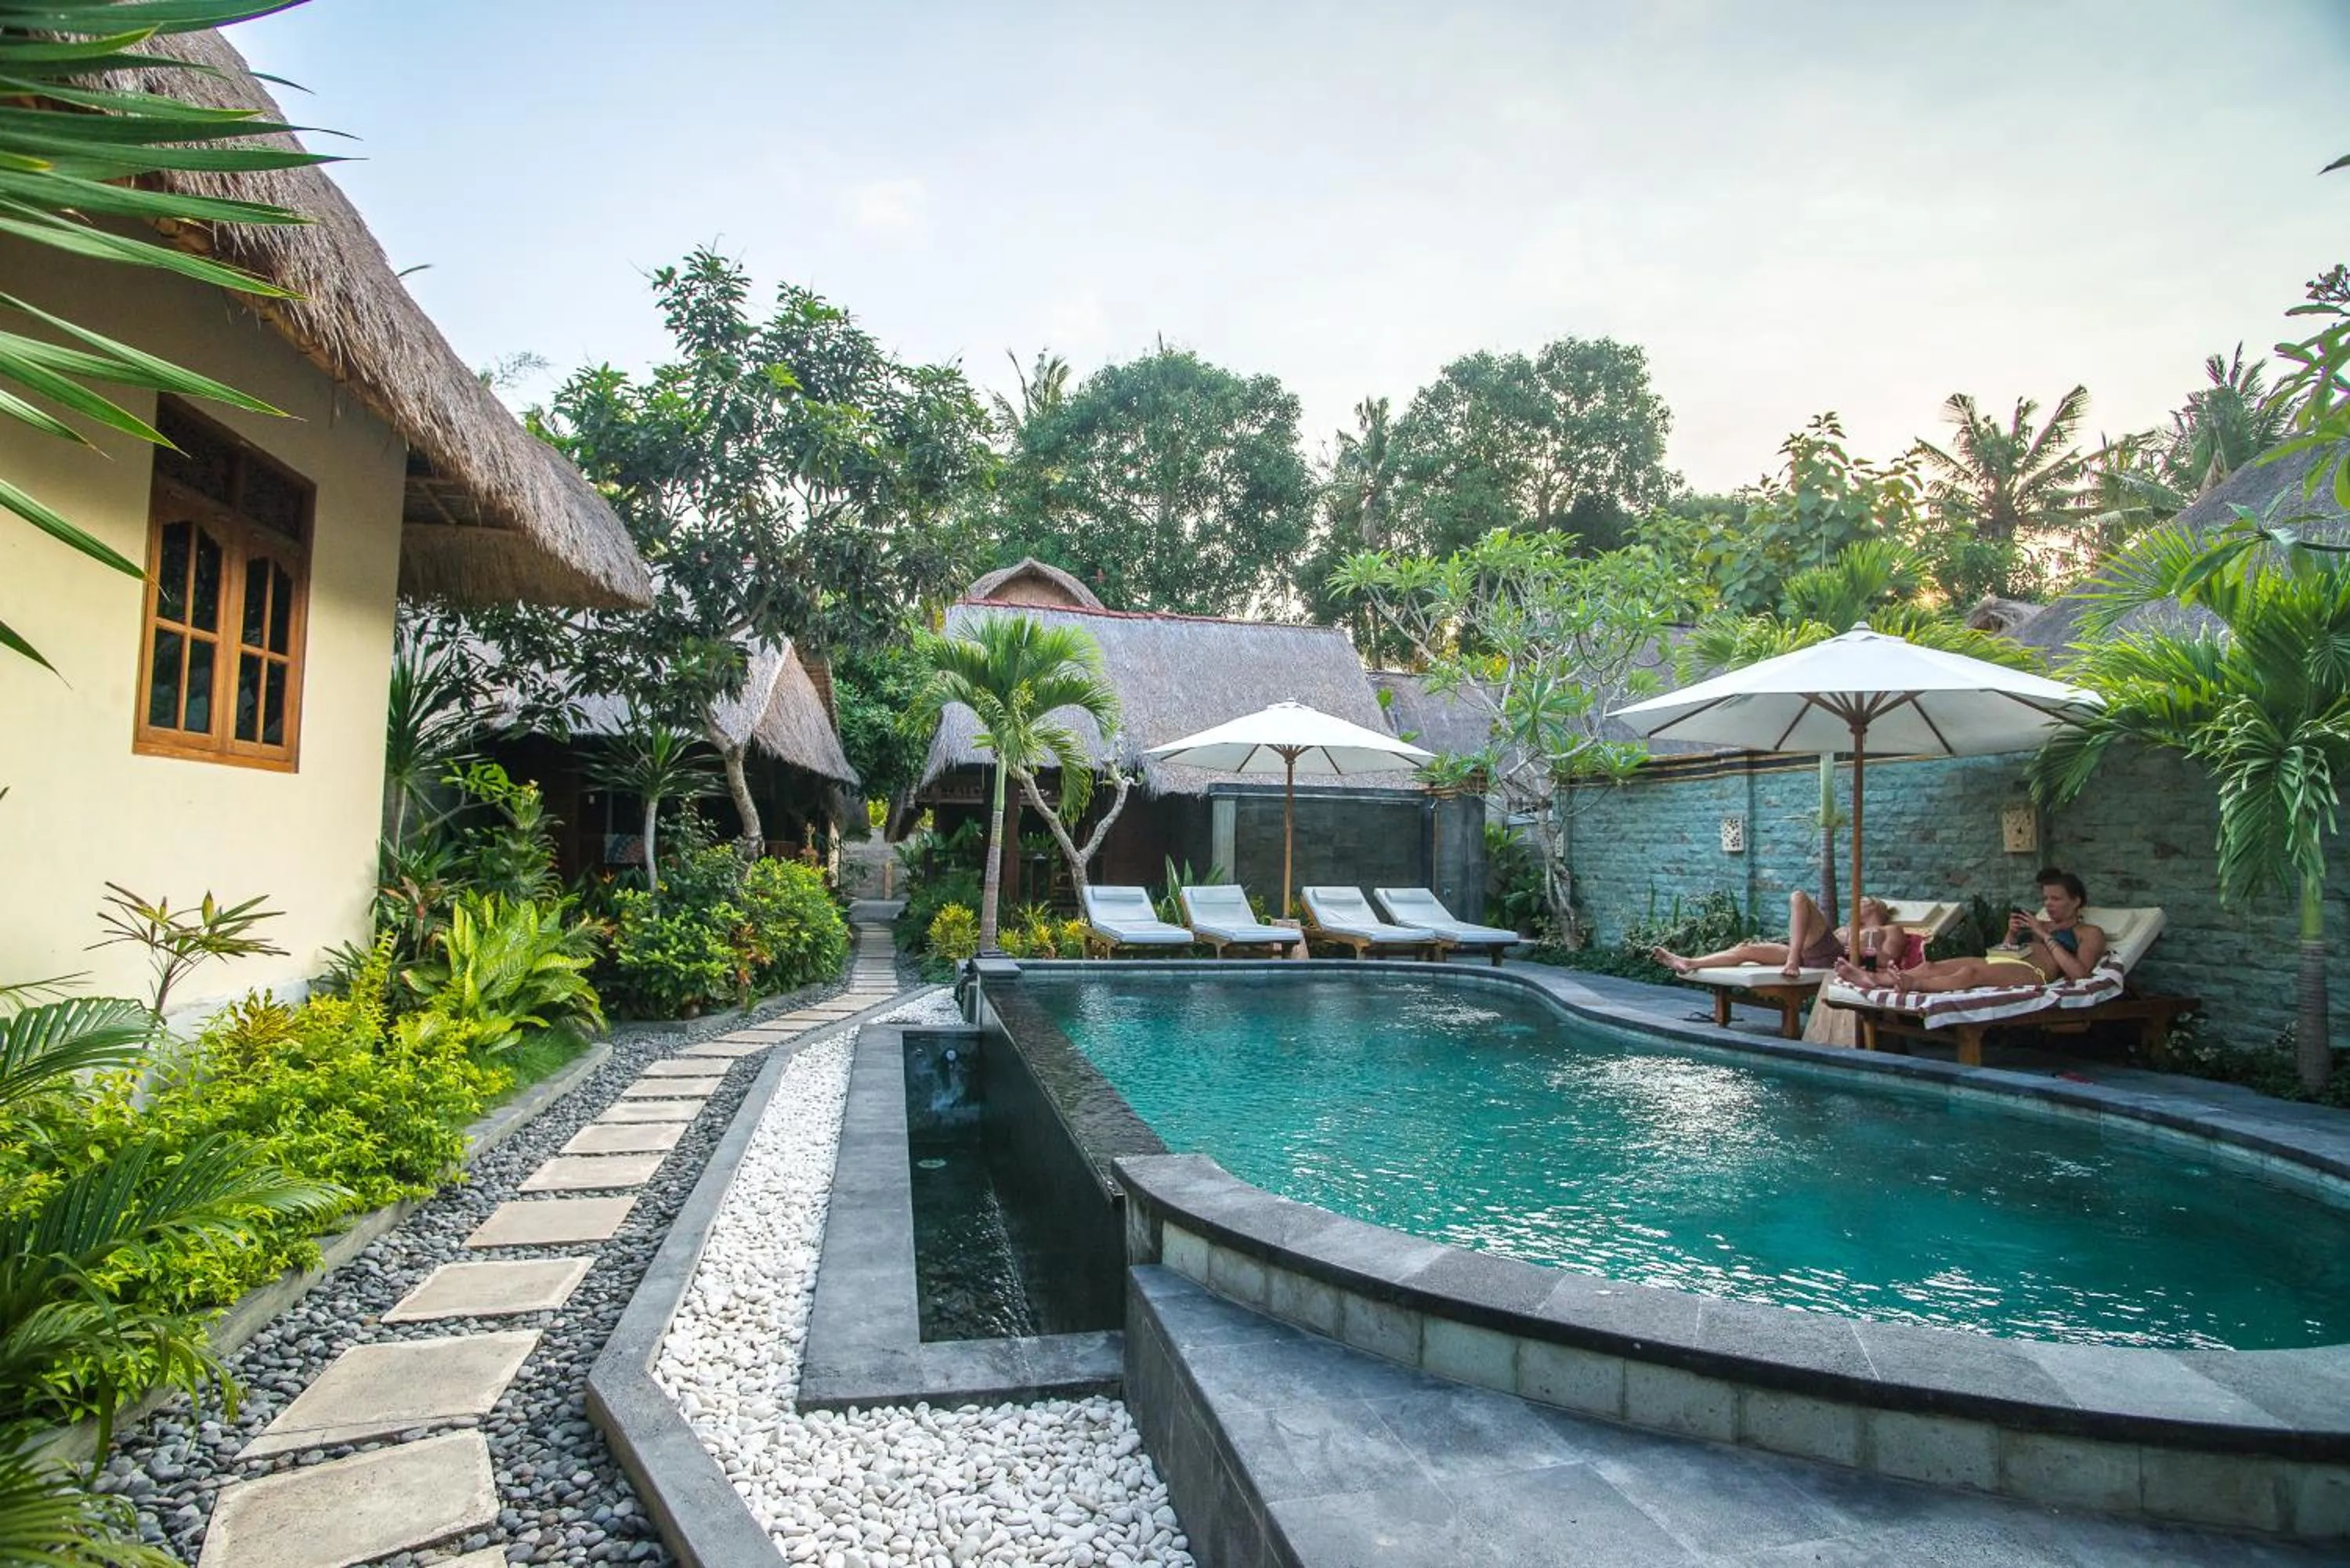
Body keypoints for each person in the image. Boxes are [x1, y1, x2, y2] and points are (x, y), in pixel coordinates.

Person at [1836, 866, 2106, 992]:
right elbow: (2005, 952)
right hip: (2003, 961)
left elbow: (2079, 974)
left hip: (2034, 973)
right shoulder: (2039, 923)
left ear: (2076, 901)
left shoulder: (2089, 933)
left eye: (2056, 899)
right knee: (1932, 966)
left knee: (1969, 973)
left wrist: (2045, 934)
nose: (2049, 904)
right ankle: (1872, 979)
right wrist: (2012, 935)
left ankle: (1911, 984)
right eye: (2046, 898)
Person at [1654, 891, 1904, 981]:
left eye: (1864, 899)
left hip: (1835, 957)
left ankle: (1792, 960)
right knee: (1746, 950)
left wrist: (1860, 947)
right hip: (1813, 953)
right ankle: (1689, 962)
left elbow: (1888, 960)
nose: (1857, 901)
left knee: (1798, 897)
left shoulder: (1890, 930)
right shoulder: (1844, 928)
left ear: (1878, 908)